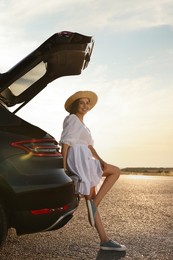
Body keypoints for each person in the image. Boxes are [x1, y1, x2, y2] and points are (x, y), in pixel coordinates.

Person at [60, 90, 126, 251]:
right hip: (79, 160)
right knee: (115, 172)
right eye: (81, 103)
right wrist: (64, 167)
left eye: (87, 103)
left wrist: (101, 161)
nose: (85, 106)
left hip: (87, 158)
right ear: (76, 105)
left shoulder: (83, 125)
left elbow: (90, 146)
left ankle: (104, 239)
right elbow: (65, 144)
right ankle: (103, 235)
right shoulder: (72, 119)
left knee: (111, 174)